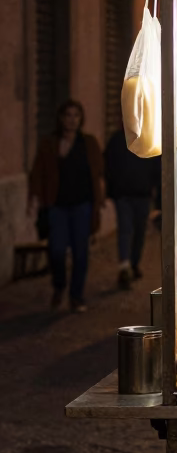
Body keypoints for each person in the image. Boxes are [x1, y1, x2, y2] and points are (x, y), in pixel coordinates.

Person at [29, 100, 104, 312]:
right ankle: (59, 286)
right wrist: (34, 199)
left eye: (76, 115)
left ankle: (76, 296)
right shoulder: (49, 143)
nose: (72, 120)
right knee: (57, 250)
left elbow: (98, 173)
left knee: (81, 252)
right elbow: (38, 172)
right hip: (57, 206)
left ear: (81, 119)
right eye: (68, 115)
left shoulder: (88, 143)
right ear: (61, 118)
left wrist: (99, 199)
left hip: (82, 205)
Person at [105, 127, 158, 288]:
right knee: (125, 229)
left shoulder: (148, 137)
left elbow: (156, 165)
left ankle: (133, 263)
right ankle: (125, 266)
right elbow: (108, 164)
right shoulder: (117, 139)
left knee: (139, 230)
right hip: (123, 194)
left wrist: (154, 187)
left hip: (142, 193)